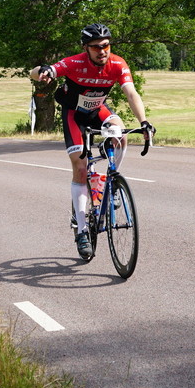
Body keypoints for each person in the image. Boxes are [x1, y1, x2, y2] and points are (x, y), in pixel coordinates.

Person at [29, 23, 155, 260]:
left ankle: (112, 182)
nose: (102, 51)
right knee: (80, 166)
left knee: (121, 136)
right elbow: (36, 73)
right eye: (96, 47)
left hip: (98, 110)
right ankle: (82, 231)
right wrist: (42, 70)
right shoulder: (74, 63)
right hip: (73, 115)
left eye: (106, 45)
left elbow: (131, 93)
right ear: (85, 48)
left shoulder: (117, 64)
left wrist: (144, 121)